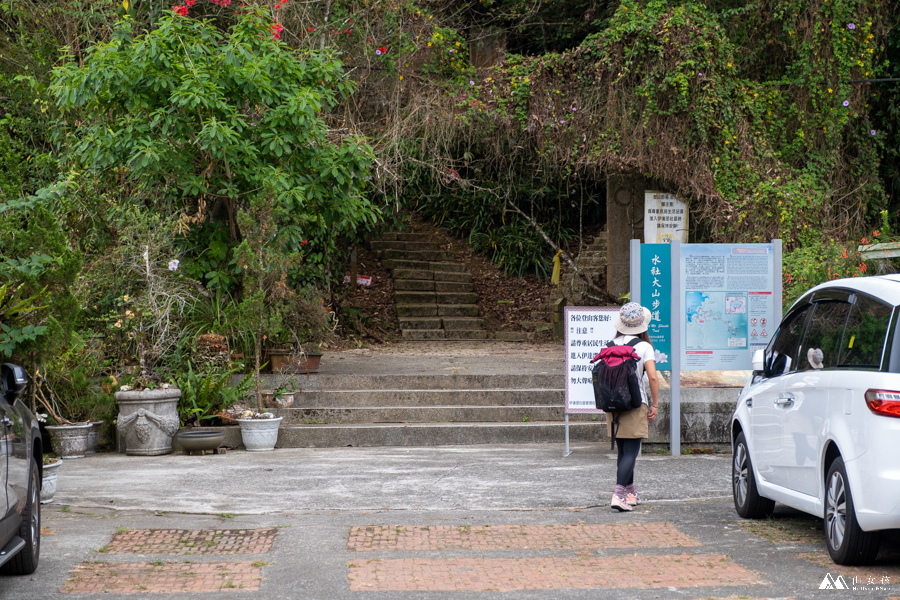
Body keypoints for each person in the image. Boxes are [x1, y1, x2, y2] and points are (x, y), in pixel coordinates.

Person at [606, 302, 660, 512]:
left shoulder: (611, 344)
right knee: (632, 451)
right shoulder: (644, 347)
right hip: (635, 404)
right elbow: (653, 377)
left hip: (613, 405)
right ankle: (619, 495)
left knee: (623, 450)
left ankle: (630, 492)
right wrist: (654, 404)